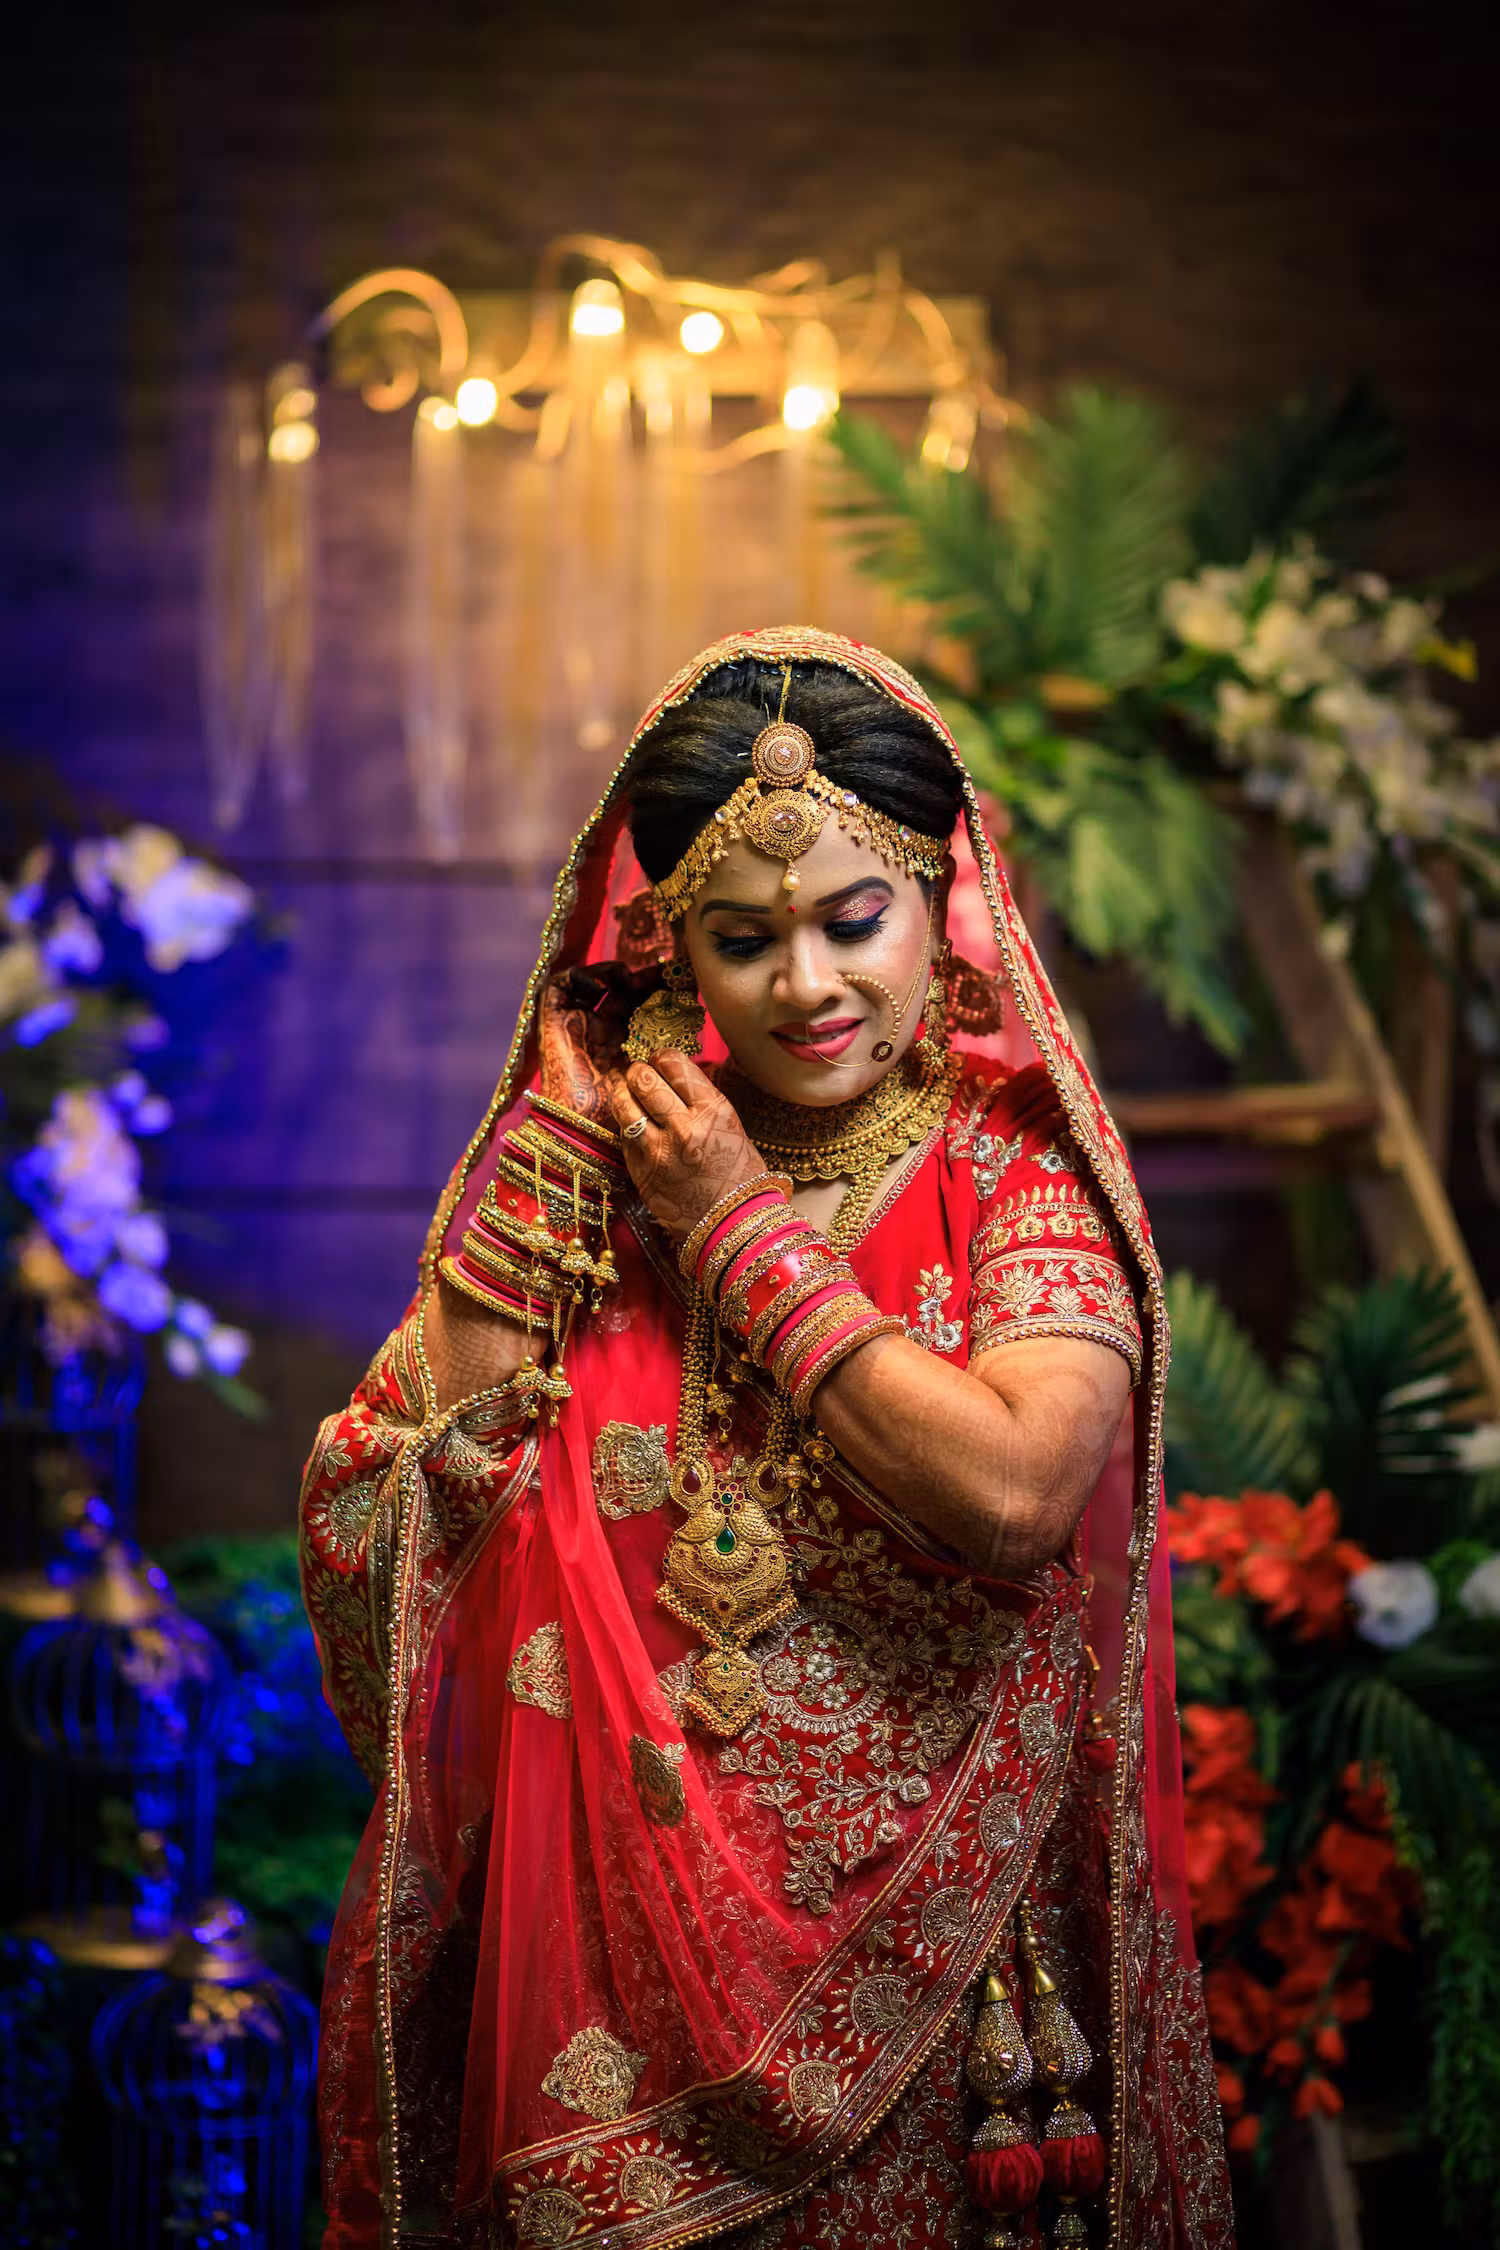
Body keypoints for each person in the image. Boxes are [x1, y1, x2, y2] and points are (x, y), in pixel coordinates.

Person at [301, 627, 1232, 2250]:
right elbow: (405, 1511)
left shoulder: (1010, 1171)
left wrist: (739, 1230)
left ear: (942, 896)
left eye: (852, 918)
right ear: (670, 947)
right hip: (610, 1988)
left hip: (943, 1994)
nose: (808, 983)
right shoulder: (604, 1172)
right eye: (747, 938)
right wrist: (533, 1189)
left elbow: (1019, 1491)